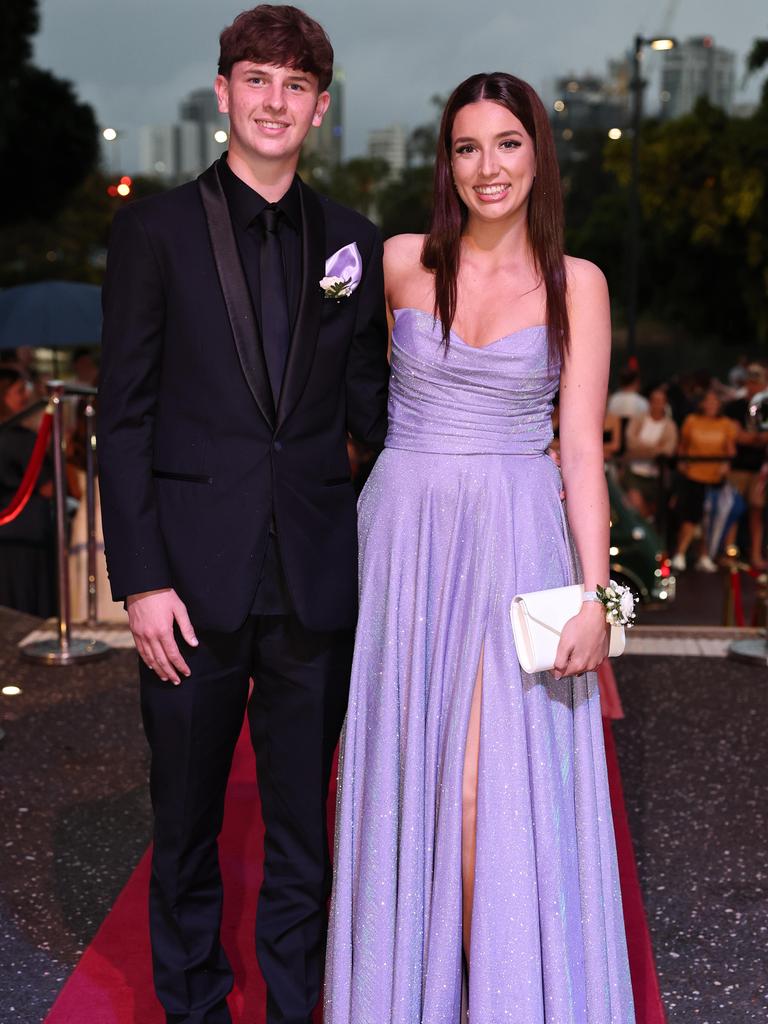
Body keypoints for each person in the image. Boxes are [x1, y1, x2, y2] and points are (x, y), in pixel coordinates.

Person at [97, 7, 389, 1023]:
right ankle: (195, 1008)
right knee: (183, 827)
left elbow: (374, 413)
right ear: (223, 92)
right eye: (257, 80)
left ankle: (298, 1004)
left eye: (296, 86)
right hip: (184, 584)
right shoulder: (153, 231)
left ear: (319, 104)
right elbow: (121, 416)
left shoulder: (354, 242)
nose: (275, 101)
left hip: (311, 580)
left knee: (304, 829)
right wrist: (137, 579)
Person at [325, 73, 634, 1023]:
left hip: (514, 536)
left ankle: (497, 996)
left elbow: (581, 449)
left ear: (539, 152)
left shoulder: (577, 282)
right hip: (403, 537)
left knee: (483, 793)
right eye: (467, 147)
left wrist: (597, 596)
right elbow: (321, 378)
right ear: (445, 161)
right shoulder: (398, 261)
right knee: (399, 776)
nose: (487, 167)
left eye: (507, 143)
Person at [0, 367, 56, 616]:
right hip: (28, 530)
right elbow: (47, 488)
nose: (25, 397)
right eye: (19, 391)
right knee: (30, 605)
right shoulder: (22, 438)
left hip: (6, 530)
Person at [671, 389, 738, 572]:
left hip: (715, 478)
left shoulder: (726, 424)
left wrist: (726, 464)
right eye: (707, 401)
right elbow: (682, 446)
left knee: (710, 518)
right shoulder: (692, 421)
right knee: (690, 516)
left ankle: (705, 555)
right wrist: (682, 463)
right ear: (702, 403)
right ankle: (680, 553)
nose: (711, 405)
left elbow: (730, 450)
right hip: (694, 475)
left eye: (714, 402)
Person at [723, 364, 768, 568]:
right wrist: (756, 438)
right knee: (733, 510)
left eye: (757, 383)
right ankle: (729, 552)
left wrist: (750, 437)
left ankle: (755, 554)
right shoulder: (734, 407)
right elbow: (735, 435)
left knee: (756, 511)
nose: (754, 387)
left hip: (759, 469)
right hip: (738, 467)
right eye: (750, 382)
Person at [623, 386, 678, 519]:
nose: (657, 404)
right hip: (635, 471)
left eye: (660, 401)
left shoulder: (669, 426)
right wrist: (655, 448)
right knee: (635, 503)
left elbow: (668, 450)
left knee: (654, 508)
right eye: (654, 400)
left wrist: (642, 448)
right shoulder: (638, 419)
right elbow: (630, 443)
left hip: (655, 475)